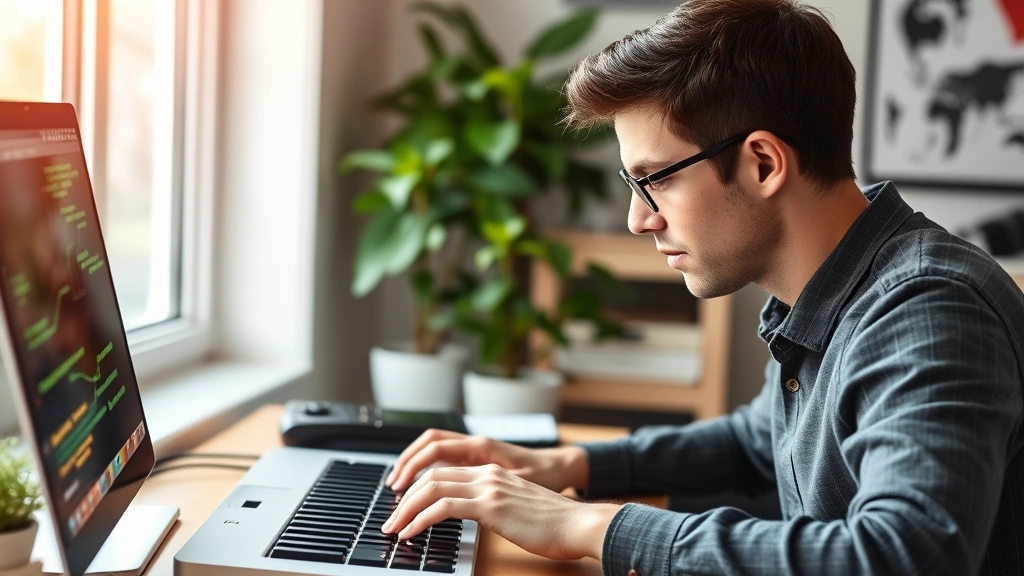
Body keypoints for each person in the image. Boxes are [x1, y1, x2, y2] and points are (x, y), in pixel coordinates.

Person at [380, 0, 1024, 574]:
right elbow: (756, 440)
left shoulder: (927, 311)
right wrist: (568, 465)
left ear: (763, 163)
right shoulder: (839, 289)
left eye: (654, 179)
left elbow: (906, 553)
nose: (639, 218)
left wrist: (586, 525)